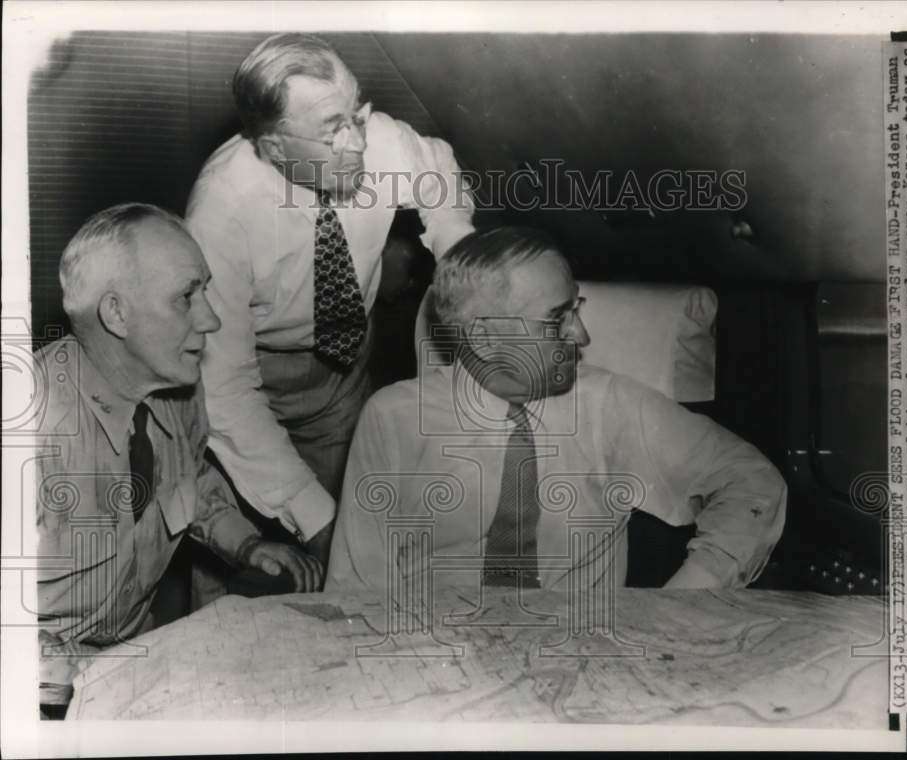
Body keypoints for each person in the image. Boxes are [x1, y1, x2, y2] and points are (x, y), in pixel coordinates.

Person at [328, 227, 787, 592]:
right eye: (557, 319)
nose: (582, 335)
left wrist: (682, 603)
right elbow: (356, 587)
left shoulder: (611, 405)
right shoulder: (393, 419)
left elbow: (752, 483)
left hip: (576, 663)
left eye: (576, 308)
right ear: (485, 340)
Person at [186, 33, 475, 569]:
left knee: (357, 536)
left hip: (344, 373)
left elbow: (437, 173)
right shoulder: (221, 210)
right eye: (332, 131)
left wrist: (462, 258)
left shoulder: (376, 139)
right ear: (274, 147)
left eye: (357, 114)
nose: (359, 143)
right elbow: (225, 388)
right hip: (254, 381)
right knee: (250, 565)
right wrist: (314, 521)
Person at [35, 204, 322, 711]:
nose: (210, 318)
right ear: (117, 314)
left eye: (205, 291)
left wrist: (247, 544)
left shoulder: (180, 391)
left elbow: (190, 475)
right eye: (186, 297)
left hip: (137, 655)